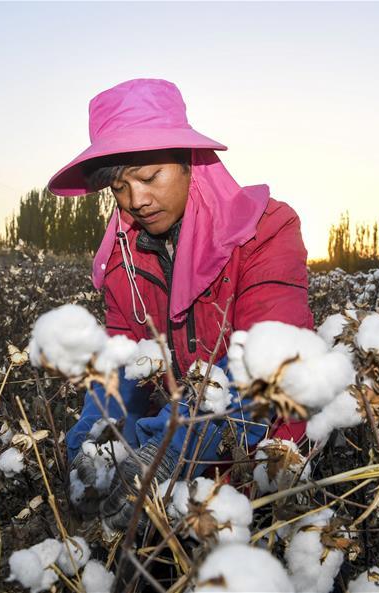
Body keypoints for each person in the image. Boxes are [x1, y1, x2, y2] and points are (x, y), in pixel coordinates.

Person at [46, 78, 312, 530]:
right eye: (119, 188)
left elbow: (268, 360)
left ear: (190, 162)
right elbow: (121, 370)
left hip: (265, 467)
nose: (137, 200)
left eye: (150, 177)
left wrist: (166, 452)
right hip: (176, 486)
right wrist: (94, 447)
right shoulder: (121, 262)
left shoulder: (265, 231)